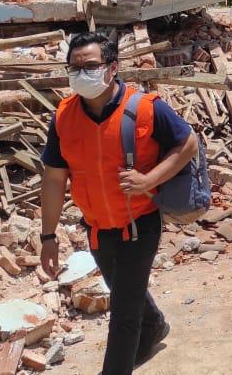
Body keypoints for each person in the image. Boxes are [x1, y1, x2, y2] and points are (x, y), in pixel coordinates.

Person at [39, 32, 199, 375]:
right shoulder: (64, 117)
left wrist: (149, 180)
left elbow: (188, 143)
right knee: (127, 289)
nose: (82, 73)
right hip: (97, 229)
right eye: (74, 67)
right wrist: (47, 237)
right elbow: (54, 178)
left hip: (140, 223)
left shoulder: (144, 108)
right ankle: (154, 326)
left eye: (90, 66)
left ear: (112, 68)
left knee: (123, 315)